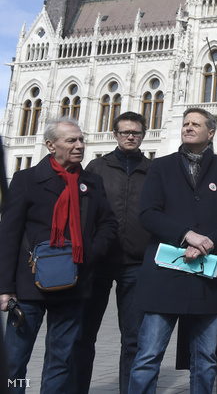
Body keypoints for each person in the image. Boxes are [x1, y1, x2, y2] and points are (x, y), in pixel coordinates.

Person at [128, 107, 217, 394]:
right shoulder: (161, 167)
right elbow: (148, 213)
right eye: (185, 123)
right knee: (148, 357)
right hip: (164, 277)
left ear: (210, 133)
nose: (188, 127)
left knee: (206, 359)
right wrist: (187, 236)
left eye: (196, 124)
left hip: (210, 278)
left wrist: (208, 242)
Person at [0, 117, 117, 394]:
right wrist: (5, 288)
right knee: (15, 362)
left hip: (73, 284)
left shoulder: (92, 181)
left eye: (81, 140)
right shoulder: (26, 180)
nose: (79, 146)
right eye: (71, 140)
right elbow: (8, 235)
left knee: (60, 361)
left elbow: (108, 223)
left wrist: (90, 251)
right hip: (28, 287)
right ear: (51, 145)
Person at [72, 111, 151, 394]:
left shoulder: (153, 171)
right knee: (84, 335)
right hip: (98, 262)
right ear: (115, 135)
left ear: (143, 135)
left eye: (136, 132)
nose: (130, 136)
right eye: (125, 132)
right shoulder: (96, 167)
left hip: (137, 264)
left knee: (133, 339)